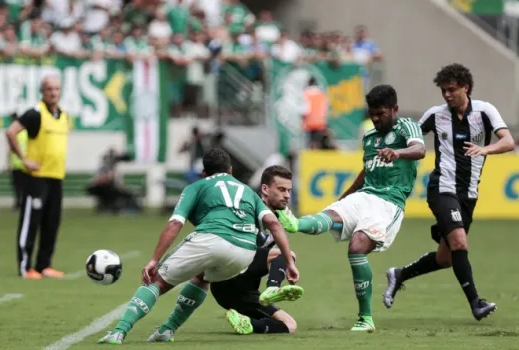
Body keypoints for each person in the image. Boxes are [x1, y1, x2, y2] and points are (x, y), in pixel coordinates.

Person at [99, 148, 299, 345]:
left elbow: (175, 223)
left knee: (157, 281)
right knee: (201, 277)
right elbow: (273, 224)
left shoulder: (196, 187)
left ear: (204, 173)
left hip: (212, 239)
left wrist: (154, 260)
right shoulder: (247, 190)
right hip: (244, 253)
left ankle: (119, 331)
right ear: (230, 171)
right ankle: (166, 330)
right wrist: (289, 262)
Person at [278, 84, 426, 332]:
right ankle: (293, 223)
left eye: (381, 113)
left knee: (356, 246)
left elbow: (419, 149)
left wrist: (398, 153)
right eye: (372, 114)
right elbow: (366, 171)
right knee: (328, 215)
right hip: (365, 194)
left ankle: (365, 318)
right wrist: (343, 198)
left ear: (394, 109)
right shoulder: (369, 137)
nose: (376, 119)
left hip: (389, 203)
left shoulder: (407, 126)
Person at [382, 63, 515, 320]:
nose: (447, 95)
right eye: (443, 90)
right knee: (459, 242)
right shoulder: (436, 114)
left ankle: (399, 274)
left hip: (468, 195)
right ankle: (476, 303)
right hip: (442, 188)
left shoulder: (485, 111)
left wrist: (485, 150)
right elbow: (410, 137)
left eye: (451, 90)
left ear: (466, 87)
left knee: (446, 258)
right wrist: (393, 148)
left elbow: (508, 141)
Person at [211, 165, 304, 335]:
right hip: (228, 274)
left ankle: (249, 324)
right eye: (282, 189)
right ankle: (272, 289)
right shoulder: (249, 208)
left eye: (289, 191)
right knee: (287, 254)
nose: (287, 195)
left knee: (290, 325)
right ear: (265, 189)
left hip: (244, 293)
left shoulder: (279, 219)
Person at [5, 75, 69, 280]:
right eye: (49, 89)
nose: (53, 93)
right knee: (30, 222)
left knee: (52, 222)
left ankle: (44, 265)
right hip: (37, 177)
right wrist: (24, 159)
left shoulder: (64, 115)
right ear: (43, 91)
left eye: (56, 89)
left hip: (56, 176)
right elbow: (11, 132)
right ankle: (25, 267)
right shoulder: (35, 113)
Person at [7, 112, 27, 211]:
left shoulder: (14, 132)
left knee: (18, 187)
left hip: (18, 164)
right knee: (22, 186)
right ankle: (22, 204)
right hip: (24, 164)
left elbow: (11, 149)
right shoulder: (25, 132)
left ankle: (18, 204)